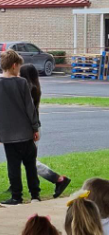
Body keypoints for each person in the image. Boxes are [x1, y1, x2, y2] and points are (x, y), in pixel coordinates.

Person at [0, 50, 41, 206]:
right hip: (26, 133)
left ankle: (16, 196)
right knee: (31, 166)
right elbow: (30, 108)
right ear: (14, 65)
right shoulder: (22, 82)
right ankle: (35, 195)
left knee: (13, 167)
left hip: (8, 136)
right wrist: (35, 127)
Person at [19, 64, 71, 198]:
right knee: (22, 160)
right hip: (34, 127)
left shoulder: (28, 89)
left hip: (30, 128)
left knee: (31, 161)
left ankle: (58, 179)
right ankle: (15, 185)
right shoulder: (35, 88)